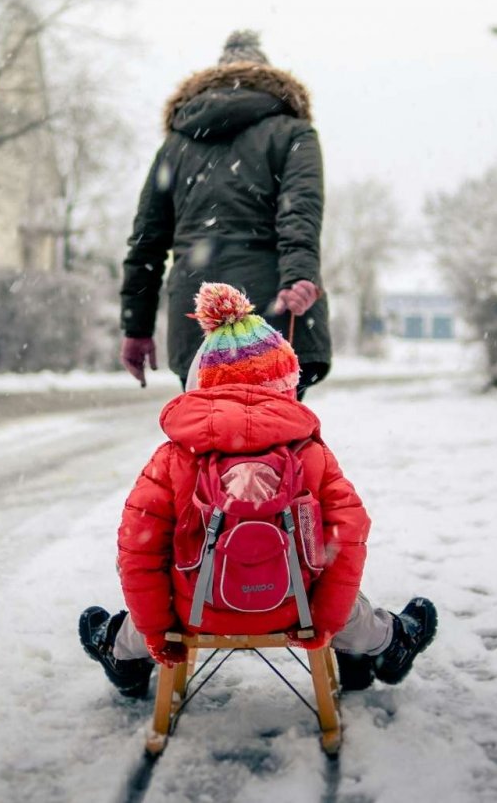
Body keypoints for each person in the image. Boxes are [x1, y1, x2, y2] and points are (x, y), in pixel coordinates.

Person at [80, 283, 435, 698]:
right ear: (286, 384)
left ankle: (123, 653)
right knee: (345, 599)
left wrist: (158, 633)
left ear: (203, 382)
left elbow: (138, 550)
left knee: (156, 586)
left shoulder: (173, 458)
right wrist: (324, 621)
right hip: (293, 610)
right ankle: (388, 643)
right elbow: (348, 535)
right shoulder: (311, 456)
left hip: (194, 614)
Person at [119, 30, 332, 399]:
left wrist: (136, 327)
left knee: (205, 438)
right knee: (276, 441)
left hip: (197, 315)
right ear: (268, 79)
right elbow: (300, 214)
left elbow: (147, 242)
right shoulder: (293, 133)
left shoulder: (176, 144)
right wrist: (298, 277)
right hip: (271, 312)